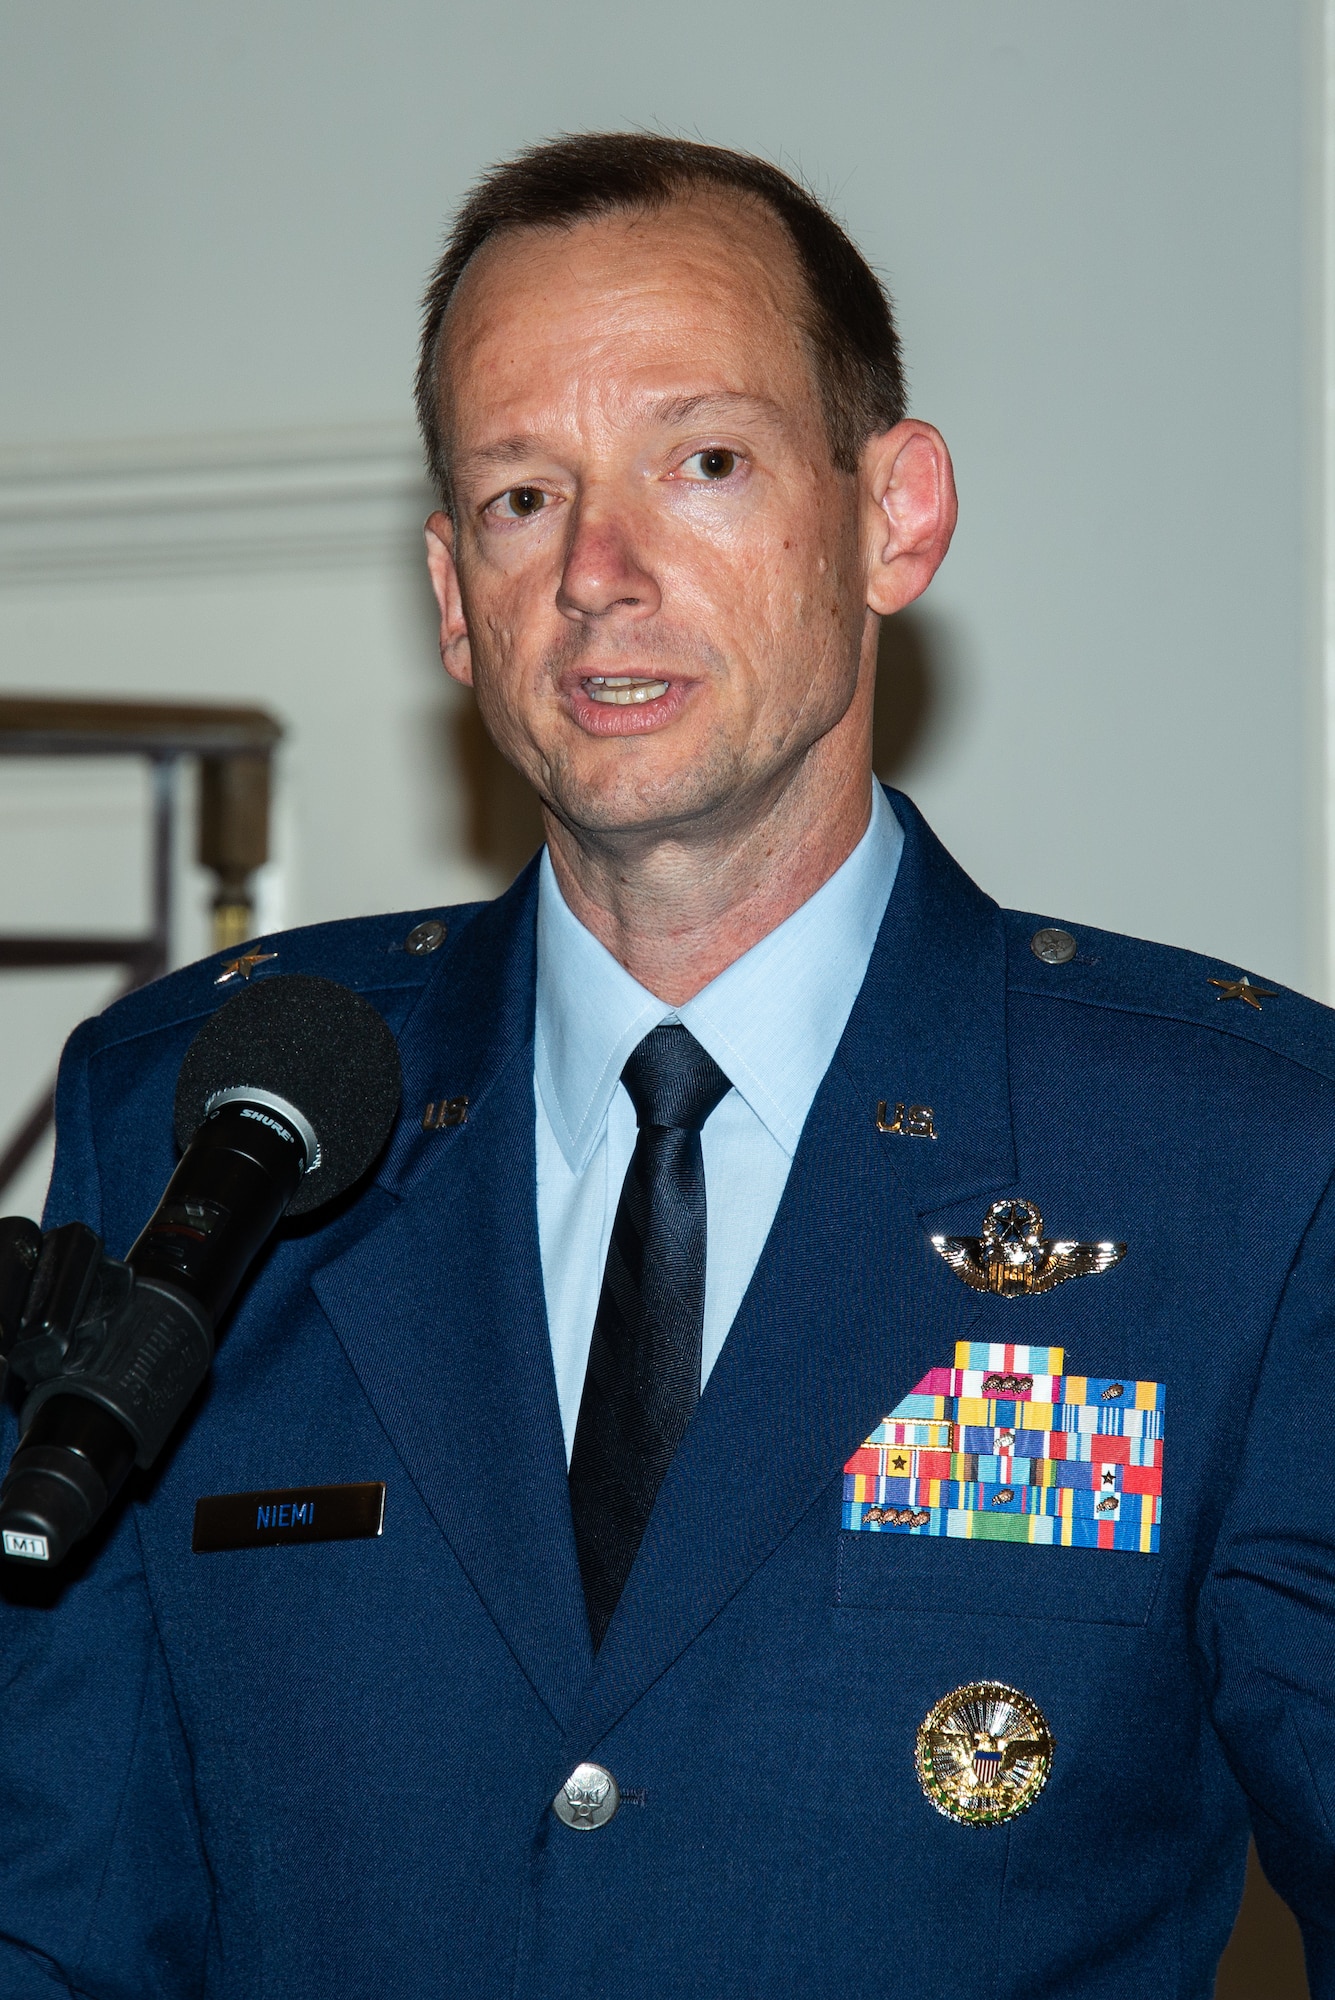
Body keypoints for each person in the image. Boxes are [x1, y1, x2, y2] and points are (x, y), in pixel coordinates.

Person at [1, 131, 1332, 2000]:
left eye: (703, 462)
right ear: (454, 594)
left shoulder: (1244, 1168)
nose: (601, 574)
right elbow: (53, 1922)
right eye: (523, 495)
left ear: (896, 517)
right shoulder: (212, 1119)